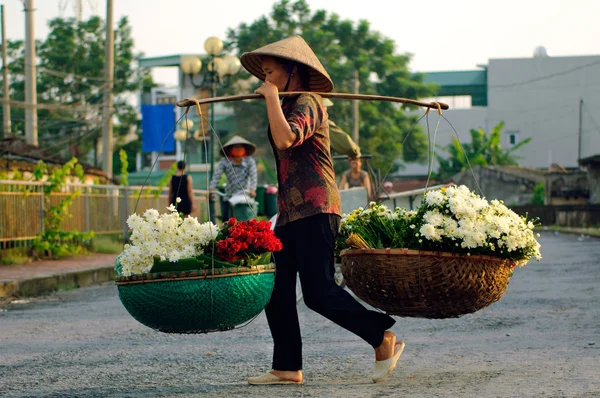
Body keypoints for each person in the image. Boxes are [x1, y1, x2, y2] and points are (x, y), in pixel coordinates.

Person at [241, 35, 403, 385]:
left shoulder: (311, 102)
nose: (265, 79)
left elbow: (286, 139)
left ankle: (381, 337)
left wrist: (270, 99)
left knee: (318, 292)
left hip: (317, 208)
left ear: (293, 70)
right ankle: (287, 367)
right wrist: (273, 99)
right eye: (263, 75)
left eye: (271, 72)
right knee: (276, 288)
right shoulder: (283, 105)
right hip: (289, 212)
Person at [209, 135, 258, 220]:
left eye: (240, 147)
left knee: (247, 220)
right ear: (230, 150)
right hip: (230, 194)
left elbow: (253, 175)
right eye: (235, 147)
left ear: (244, 150)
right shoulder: (225, 161)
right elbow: (217, 175)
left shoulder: (250, 161)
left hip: (245, 195)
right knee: (227, 219)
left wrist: (252, 189)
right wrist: (211, 188)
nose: (238, 150)